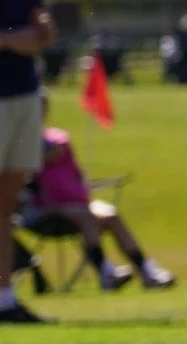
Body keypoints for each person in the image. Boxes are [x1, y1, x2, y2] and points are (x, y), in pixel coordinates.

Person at [29, 96, 176, 291]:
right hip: (41, 210)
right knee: (86, 216)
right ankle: (106, 273)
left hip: (76, 205)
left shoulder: (57, 138)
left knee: (110, 214)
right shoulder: (21, 141)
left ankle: (147, 271)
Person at [0, 0, 55, 324]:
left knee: (7, 201)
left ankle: (4, 298)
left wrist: (40, 30)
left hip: (23, 93)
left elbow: (36, 22)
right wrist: (11, 39)